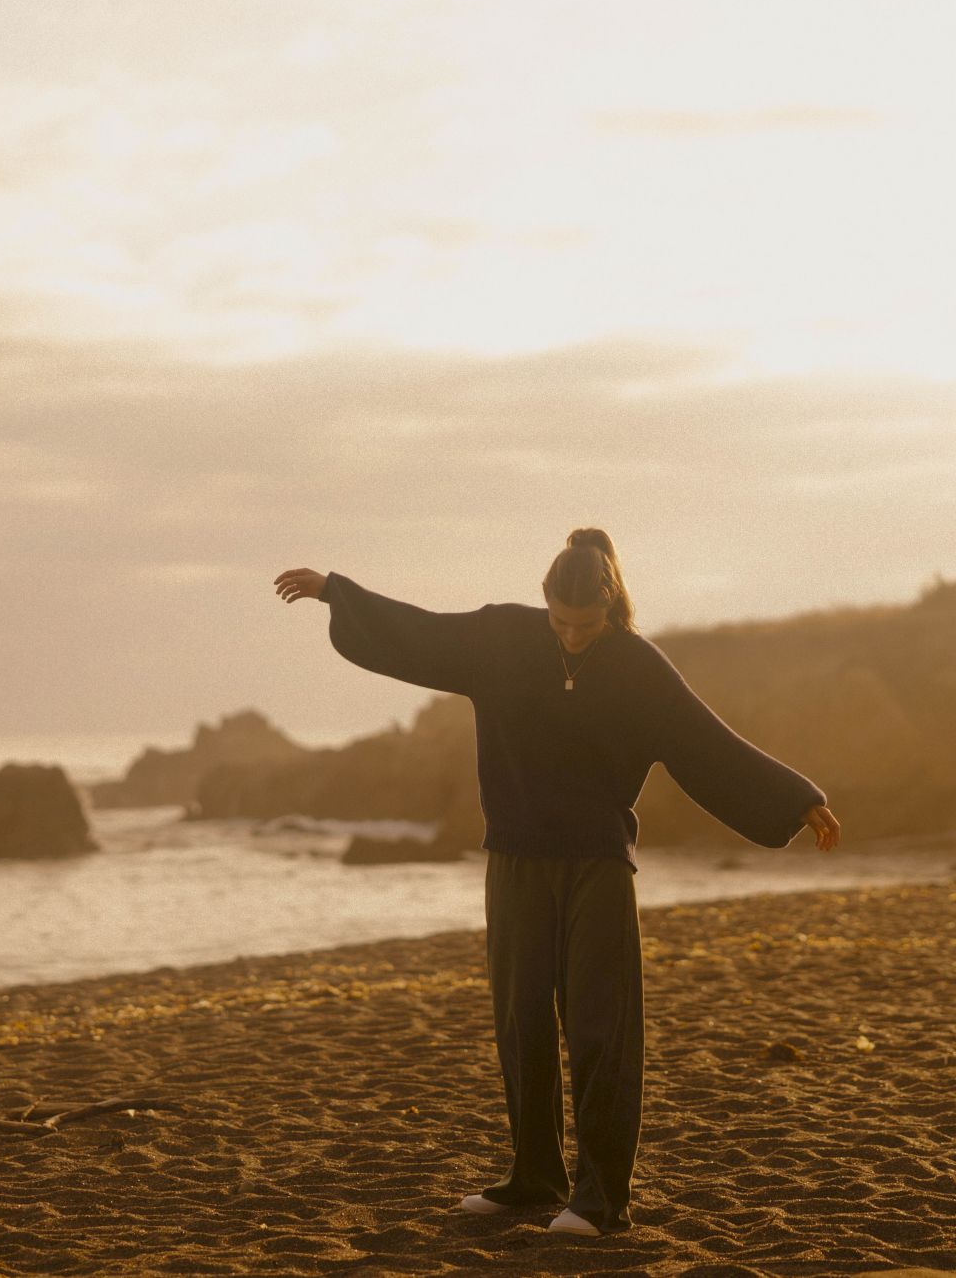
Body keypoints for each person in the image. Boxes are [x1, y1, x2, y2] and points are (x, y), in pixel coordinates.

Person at [272, 528, 839, 1238]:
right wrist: (336, 590)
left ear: (609, 606)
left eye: (587, 625)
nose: (572, 636)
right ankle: (534, 1174)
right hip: (515, 858)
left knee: (602, 1027)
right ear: (544, 601)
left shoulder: (638, 667)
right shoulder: (501, 638)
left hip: (596, 864)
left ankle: (602, 1198)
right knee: (521, 1019)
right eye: (562, 622)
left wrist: (794, 797)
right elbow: (418, 634)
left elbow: (705, 743)